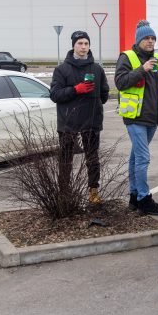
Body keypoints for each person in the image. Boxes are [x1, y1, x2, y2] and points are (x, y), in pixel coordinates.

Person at [114, 20, 158, 216]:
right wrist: (142, 69)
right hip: (135, 116)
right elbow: (120, 83)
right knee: (143, 158)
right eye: (147, 38)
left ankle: (134, 195)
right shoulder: (128, 57)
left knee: (136, 157)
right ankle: (144, 199)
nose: (150, 41)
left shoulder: (157, 58)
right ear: (139, 40)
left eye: (153, 38)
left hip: (152, 117)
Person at [50, 30, 110, 204]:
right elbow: (55, 94)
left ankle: (93, 191)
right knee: (66, 159)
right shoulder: (62, 69)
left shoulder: (97, 69)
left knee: (92, 158)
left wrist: (96, 102)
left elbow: (105, 92)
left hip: (91, 120)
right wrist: (76, 90)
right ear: (73, 46)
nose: (83, 47)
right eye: (80, 43)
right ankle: (64, 192)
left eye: (86, 43)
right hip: (69, 121)